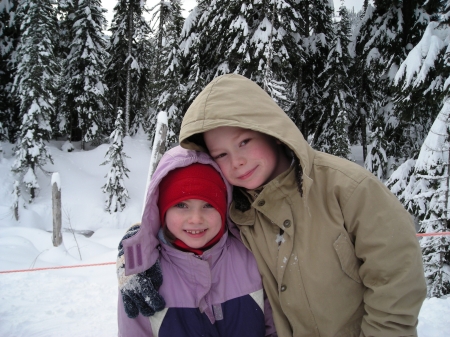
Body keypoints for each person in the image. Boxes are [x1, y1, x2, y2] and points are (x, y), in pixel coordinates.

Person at [118, 74, 427, 336]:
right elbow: (181, 217)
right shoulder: (238, 210)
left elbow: (396, 286)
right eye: (221, 155)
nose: (237, 161)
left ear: (272, 132)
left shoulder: (347, 189)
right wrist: (133, 258)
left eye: (244, 142)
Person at [117, 145, 277, 337]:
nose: (195, 218)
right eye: (181, 205)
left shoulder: (252, 256)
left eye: (208, 205)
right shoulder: (144, 276)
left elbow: (275, 327)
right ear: (162, 210)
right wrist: (135, 254)